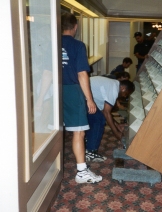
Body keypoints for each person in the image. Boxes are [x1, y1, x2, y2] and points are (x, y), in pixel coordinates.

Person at [61, 12, 102, 184]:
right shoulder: (78, 45)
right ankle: (81, 171)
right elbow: (82, 74)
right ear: (75, 27)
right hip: (72, 91)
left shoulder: (52, 43)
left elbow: (48, 73)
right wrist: (89, 99)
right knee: (79, 132)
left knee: (57, 131)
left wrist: (40, 101)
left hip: (56, 91)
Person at [85, 76, 135, 162]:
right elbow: (106, 113)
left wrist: (117, 125)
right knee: (99, 120)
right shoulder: (114, 89)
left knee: (97, 117)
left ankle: (89, 142)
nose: (125, 96)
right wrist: (117, 134)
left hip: (81, 97)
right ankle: (90, 151)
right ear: (123, 88)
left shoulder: (113, 84)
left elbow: (103, 110)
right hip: (80, 98)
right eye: (126, 93)